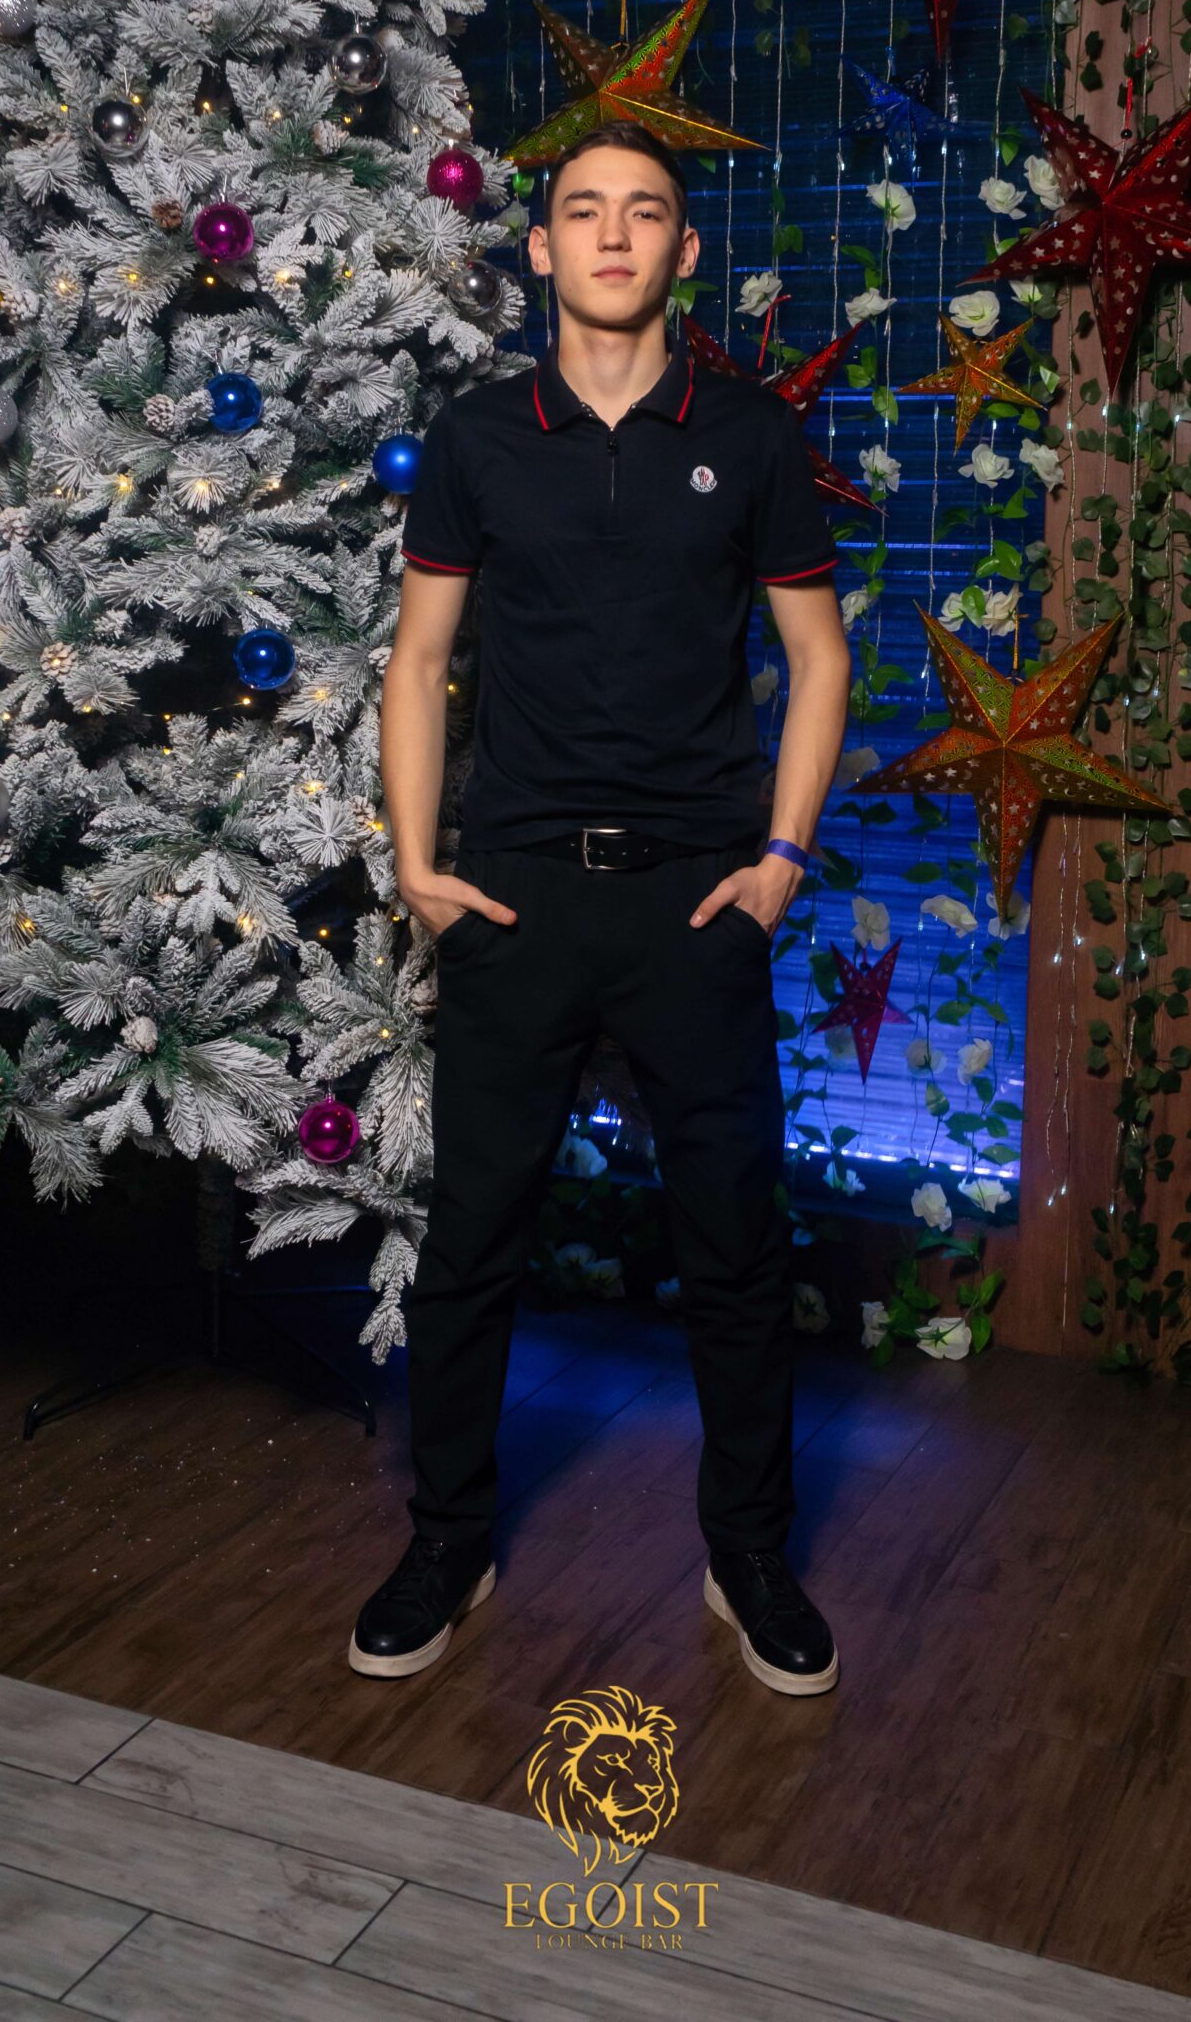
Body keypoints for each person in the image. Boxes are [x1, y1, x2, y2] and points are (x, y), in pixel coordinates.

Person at [349, 123, 852, 1698]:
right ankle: (449, 1541)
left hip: (699, 903)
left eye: (645, 213)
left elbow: (819, 659)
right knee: (471, 1244)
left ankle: (748, 1554)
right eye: (584, 211)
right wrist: (419, 865)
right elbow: (419, 662)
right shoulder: (479, 437)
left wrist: (780, 861)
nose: (614, 235)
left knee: (737, 1247)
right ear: (542, 249)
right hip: (513, 901)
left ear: (684, 253)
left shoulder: (753, 435)